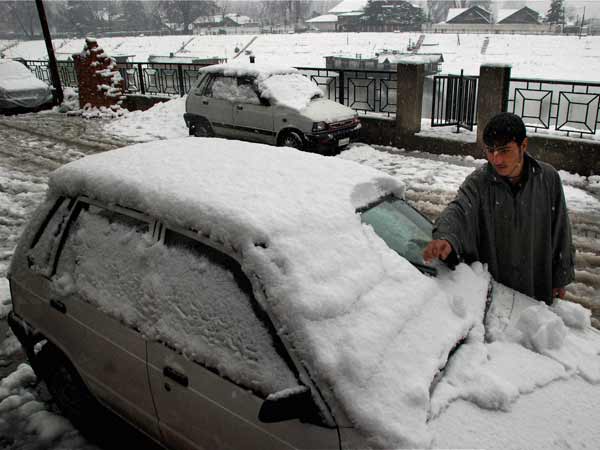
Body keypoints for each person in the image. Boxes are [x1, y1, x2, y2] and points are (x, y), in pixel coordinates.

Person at [423, 112, 575, 305]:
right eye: (490, 150)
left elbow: (561, 230)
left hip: (536, 288)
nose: (496, 159)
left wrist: (560, 279)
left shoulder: (547, 179)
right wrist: (446, 237)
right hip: (497, 297)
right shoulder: (479, 183)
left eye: (504, 150)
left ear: (524, 146)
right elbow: (458, 210)